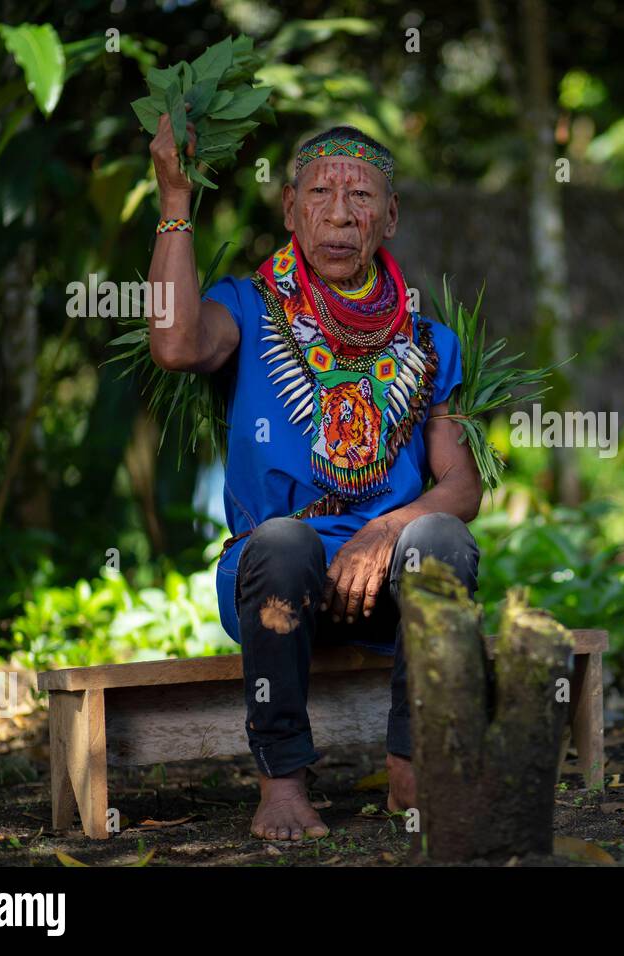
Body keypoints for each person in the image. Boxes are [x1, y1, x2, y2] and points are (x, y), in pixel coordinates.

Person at [145, 112, 482, 841]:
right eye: (320, 193)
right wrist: (176, 202)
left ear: (388, 217)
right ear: (291, 209)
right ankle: (283, 784)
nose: (339, 213)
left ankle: (415, 771)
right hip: (275, 583)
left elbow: (462, 485)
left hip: (385, 586)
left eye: (361, 197)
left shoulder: (428, 342)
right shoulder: (245, 308)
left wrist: (387, 531)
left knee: (445, 540)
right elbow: (174, 345)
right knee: (284, 544)